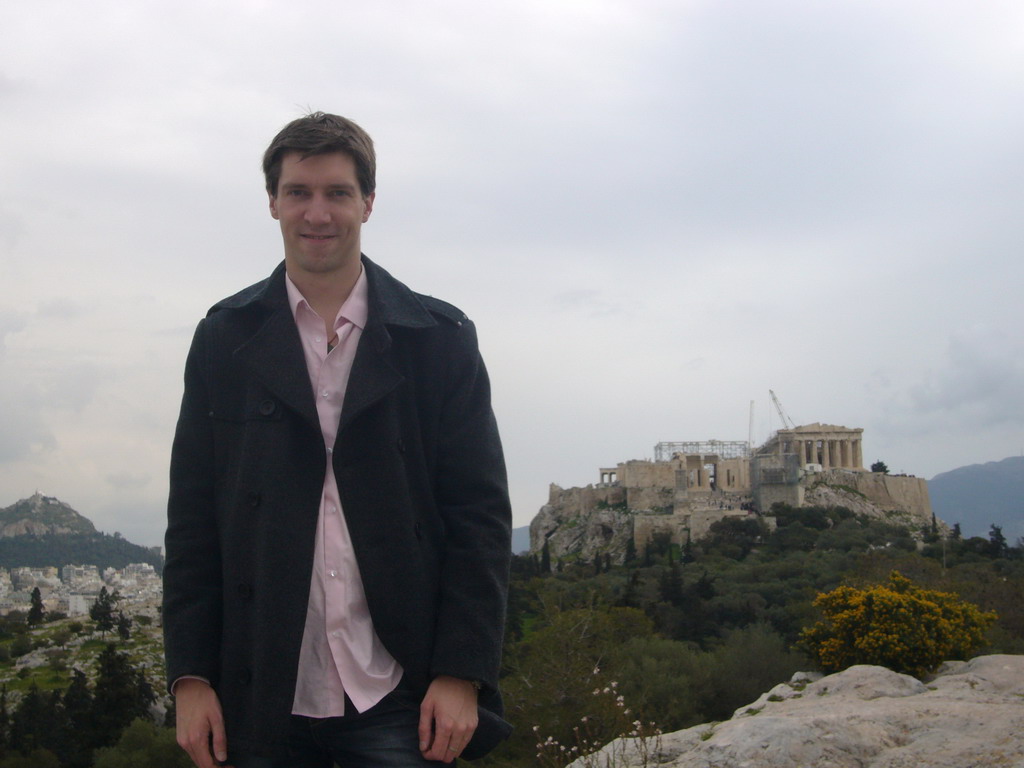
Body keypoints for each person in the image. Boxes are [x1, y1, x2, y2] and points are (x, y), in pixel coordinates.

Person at [163, 112, 512, 768]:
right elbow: (193, 525)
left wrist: (462, 672)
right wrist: (189, 678)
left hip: (397, 692)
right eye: (298, 192)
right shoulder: (225, 340)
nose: (316, 212)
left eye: (337, 193)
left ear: (369, 203)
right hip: (258, 691)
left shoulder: (438, 340)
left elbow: (480, 520)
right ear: (272, 202)